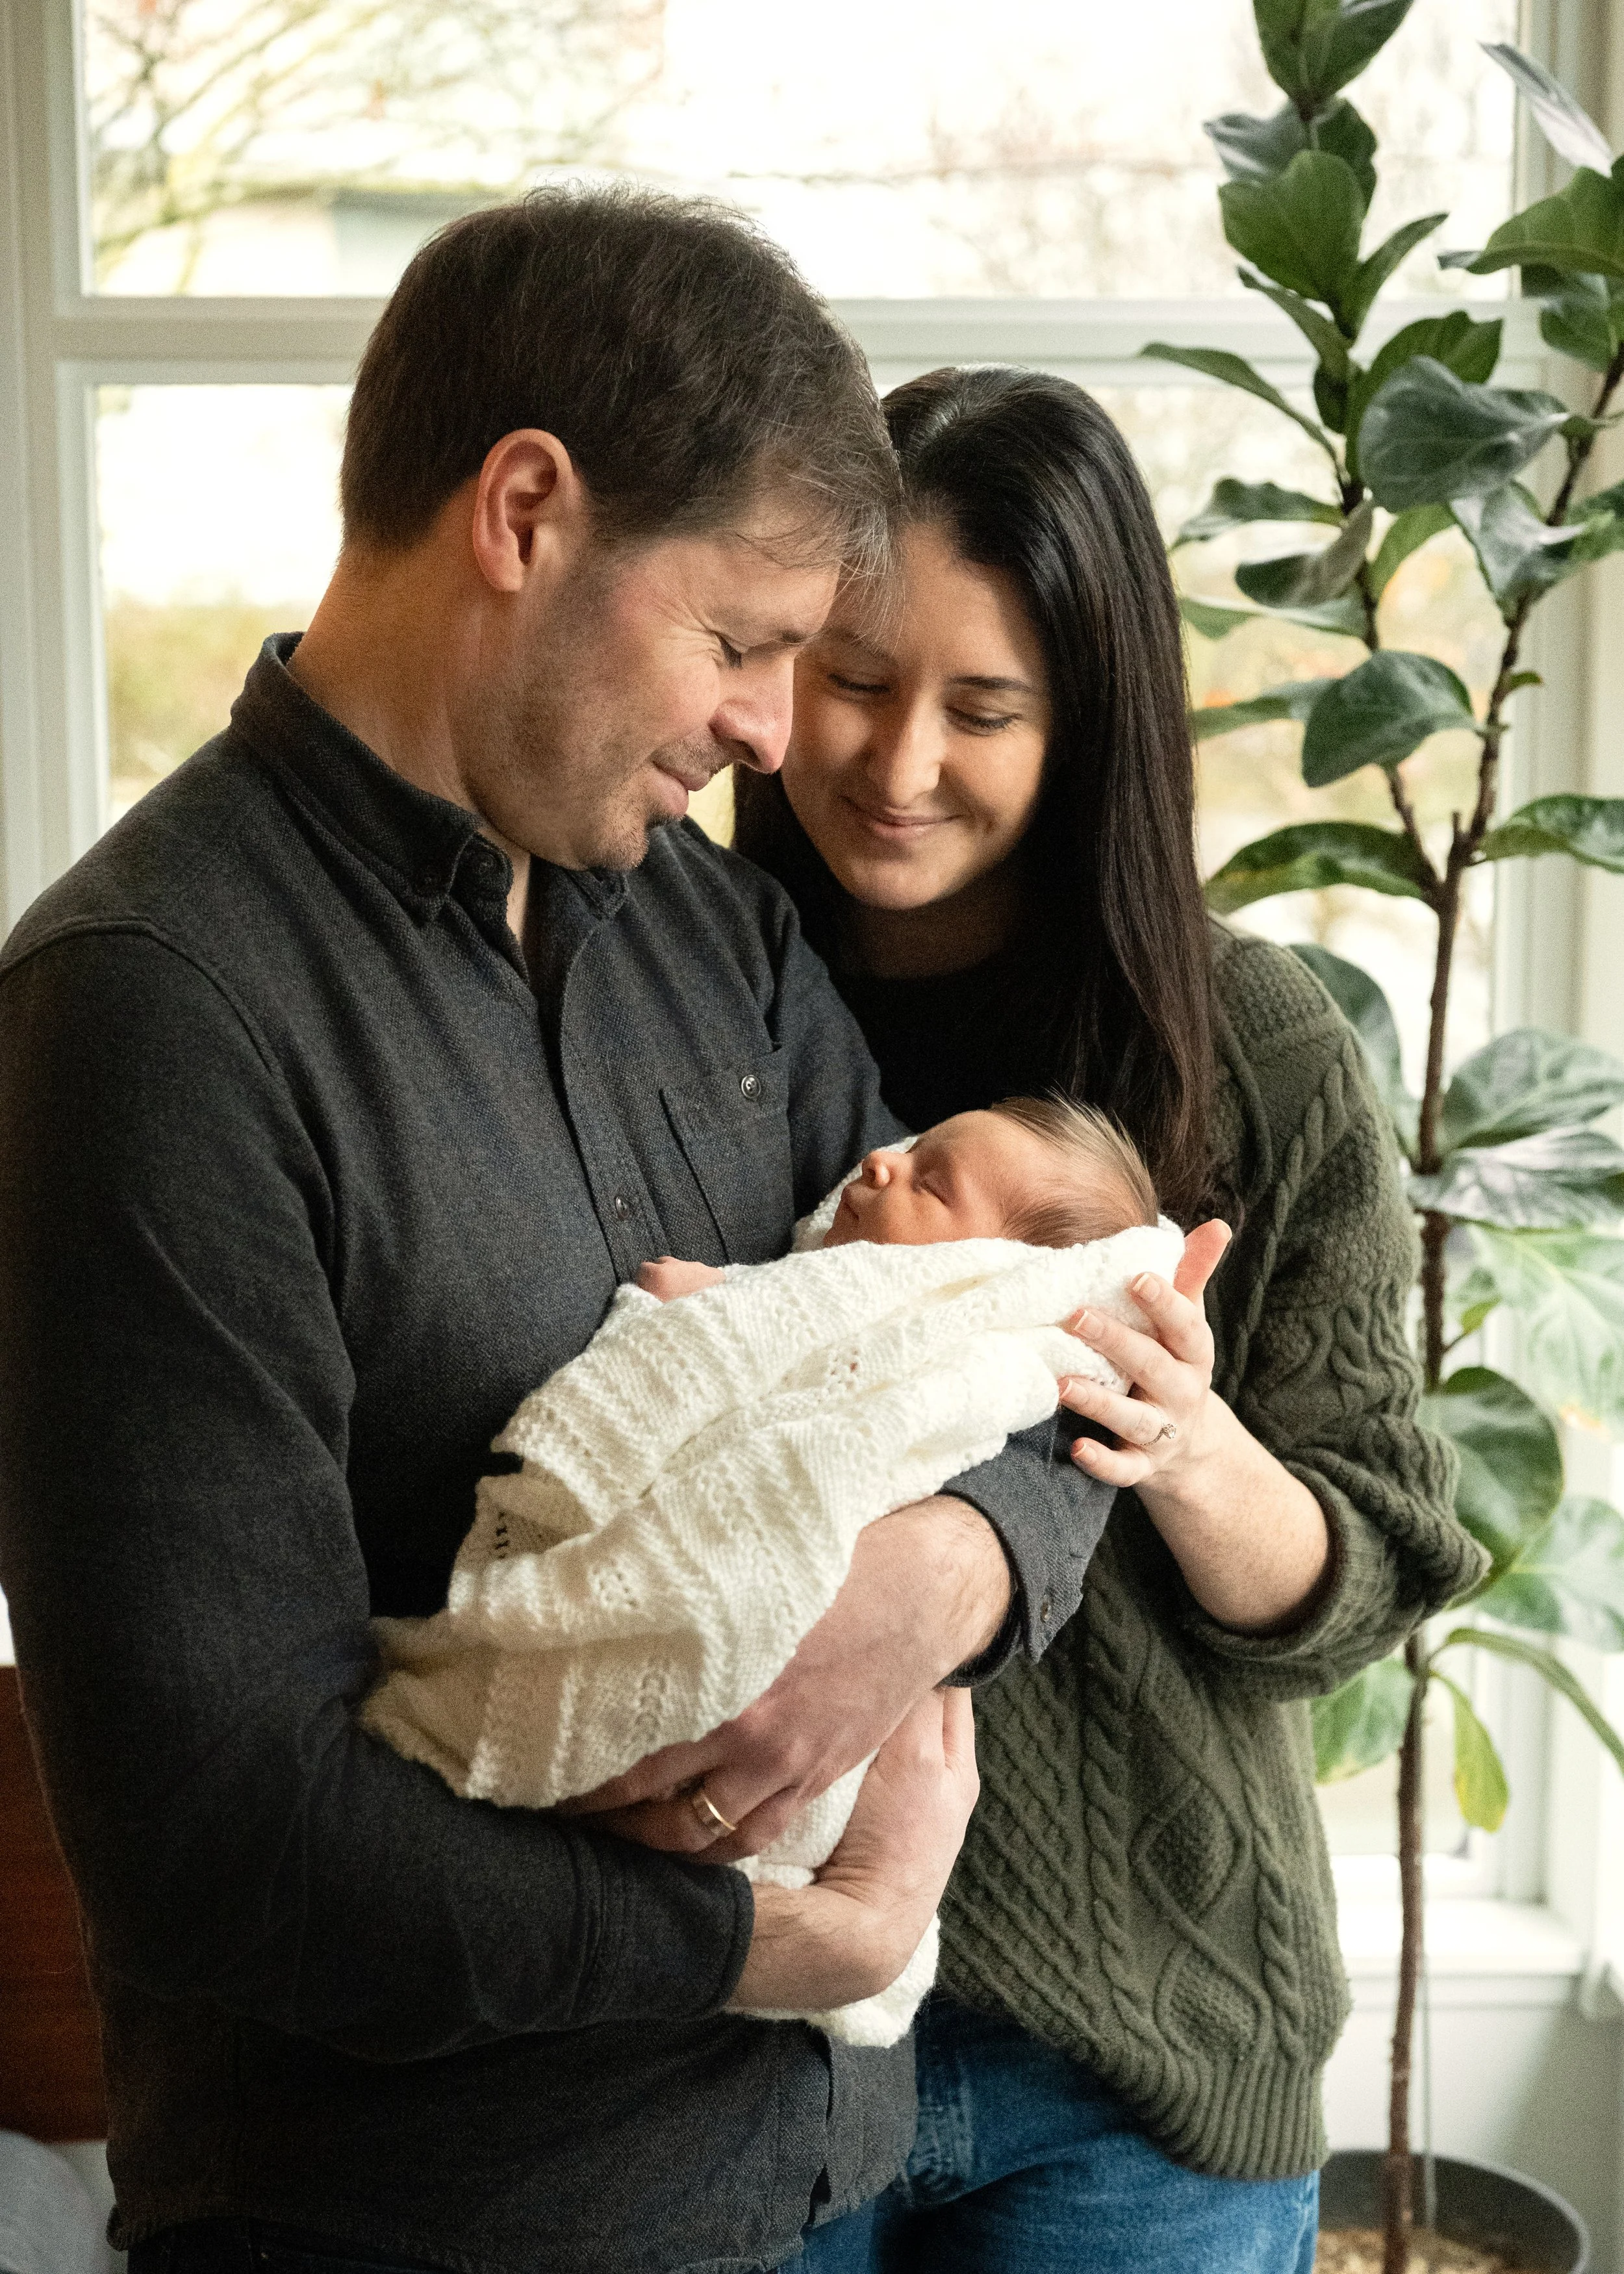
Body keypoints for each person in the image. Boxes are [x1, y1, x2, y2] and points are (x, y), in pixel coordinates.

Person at [0, 204, 1125, 2274]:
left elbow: (1017, 1329)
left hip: (813, 2193)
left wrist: (946, 1569)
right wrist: (771, 1941)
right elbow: (220, 1843)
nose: (775, 733)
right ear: (524, 513)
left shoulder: (718, 931)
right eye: (742, 641)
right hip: (418, 2228)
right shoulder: (151, 1012)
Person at [731, 364, 1488, 2274]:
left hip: (1140, 2067)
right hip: (737, 2053)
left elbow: (1368, 1573)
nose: (898, 762)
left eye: (984, 709)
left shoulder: (1254, 1053)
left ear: (1088, 725)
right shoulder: (679, 1010)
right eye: (852, 678)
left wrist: (1191, 1449)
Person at [359, 1099, 1175, 2054]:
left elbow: (813, 1364)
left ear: (988, 1275)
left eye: (932, 1181)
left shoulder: (960, 1348)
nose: (880, 1162)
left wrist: (704, 1313)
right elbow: (788, 1338)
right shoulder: (830, 1290)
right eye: (913, 1149)